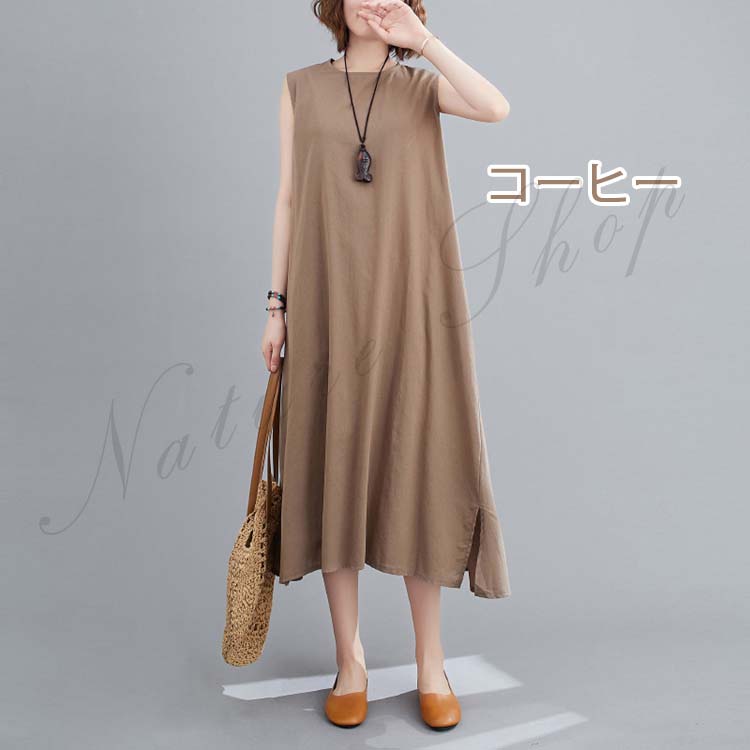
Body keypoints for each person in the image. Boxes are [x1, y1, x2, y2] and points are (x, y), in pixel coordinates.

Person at [261, 0, 511, 729]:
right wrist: (275, 306)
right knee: (334, 467)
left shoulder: (422, 86)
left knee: (418, 472)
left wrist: (423, 41)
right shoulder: (301, 87)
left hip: (413, 307)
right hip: (326, 305)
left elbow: (495, 107)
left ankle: (431, 662)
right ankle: (351, 661)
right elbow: (288, 199)